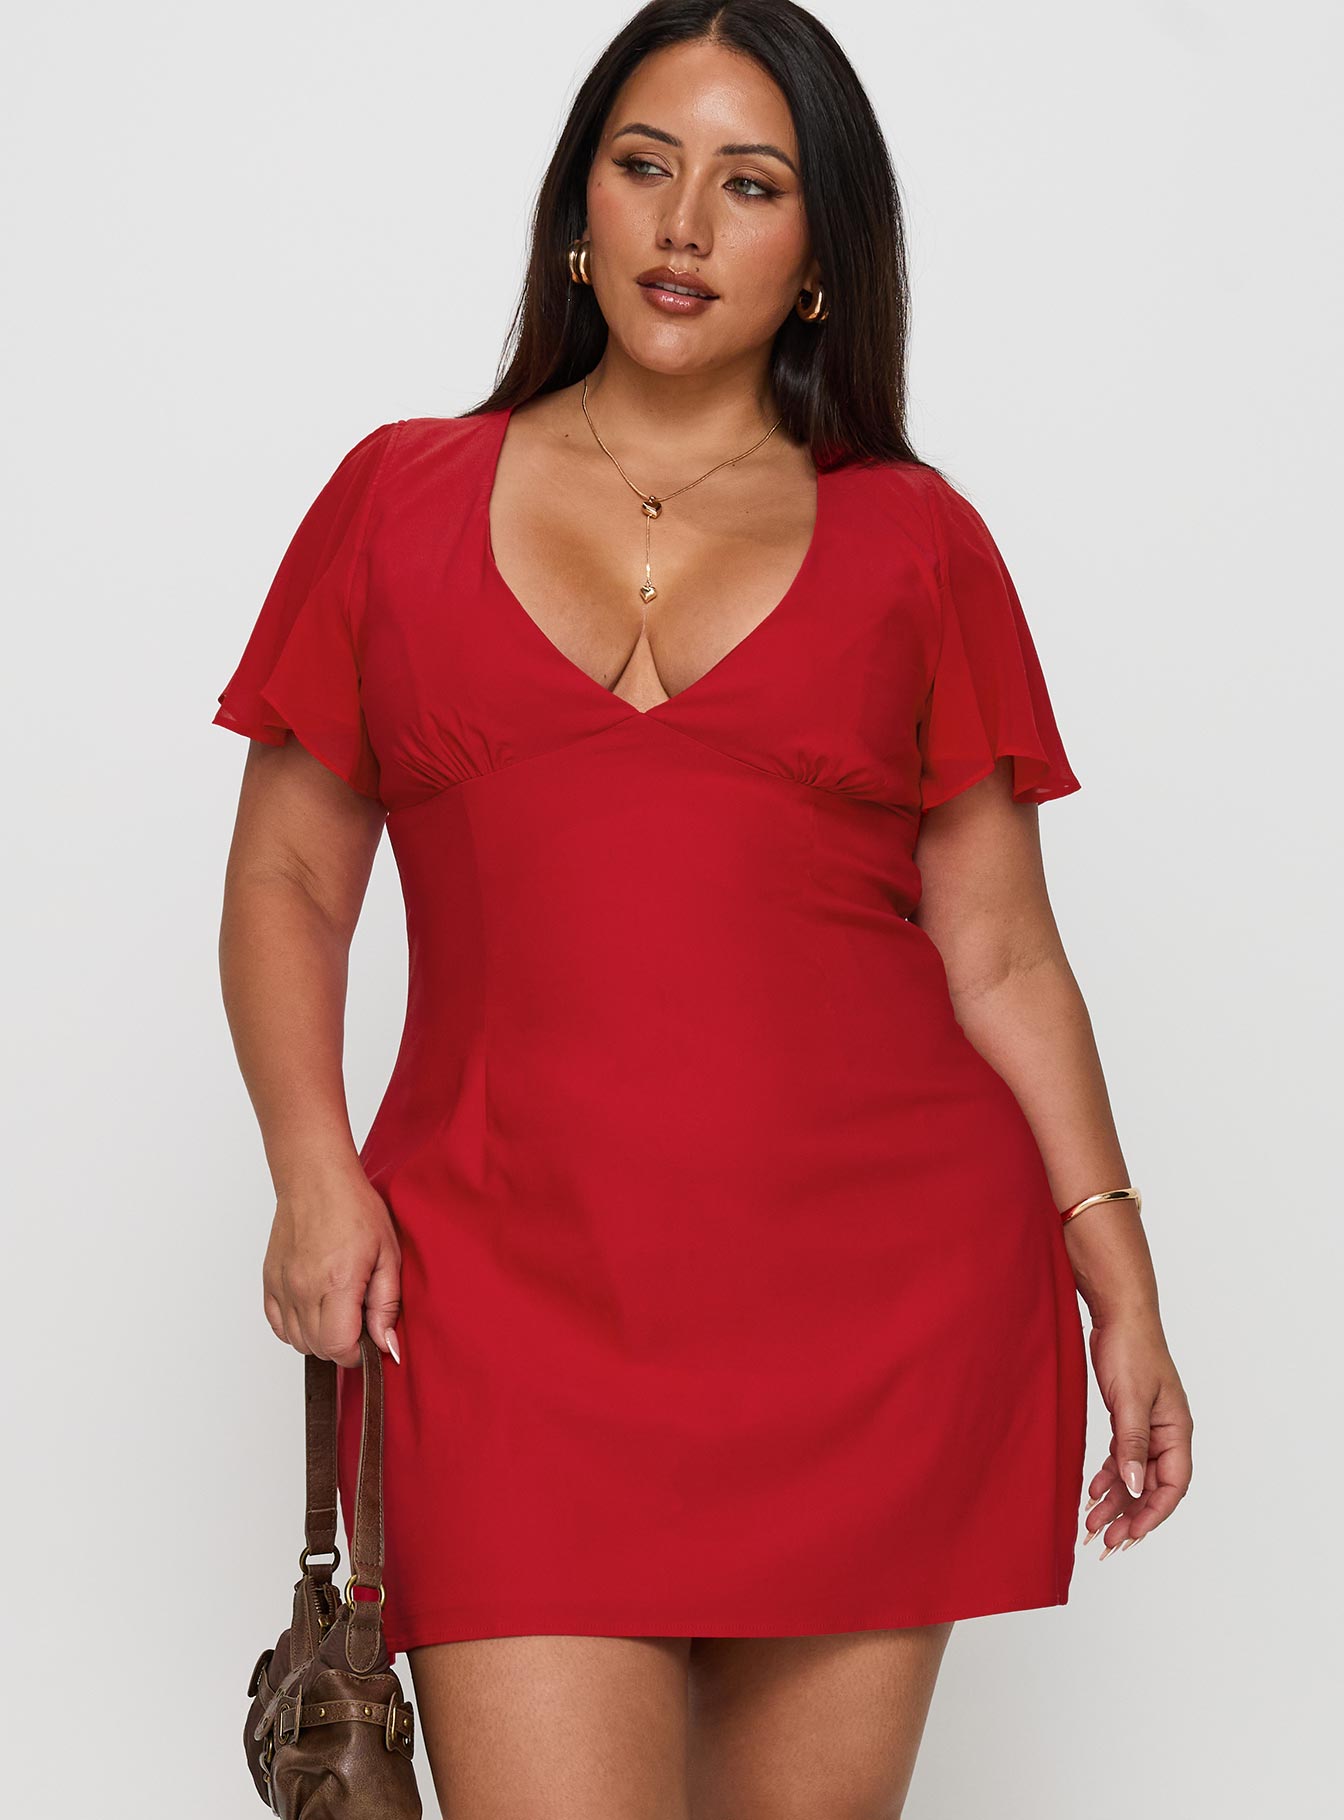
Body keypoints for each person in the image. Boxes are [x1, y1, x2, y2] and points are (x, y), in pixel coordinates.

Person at [212, 2, 1193, 1813]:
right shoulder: (395, 497)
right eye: (645, 166)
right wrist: (309, 1166)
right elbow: (285, 878)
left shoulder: (920, 541)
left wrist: (1119, 1282)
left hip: (880, 1311)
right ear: (579, 209)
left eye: (750, 185)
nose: (683, 225)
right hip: (501, 1303)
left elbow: (999, 952)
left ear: (821, 255)